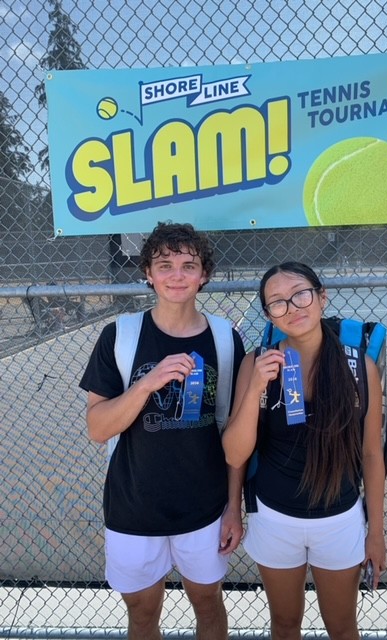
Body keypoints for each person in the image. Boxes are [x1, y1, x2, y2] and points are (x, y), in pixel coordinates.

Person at [79, 222, 246, 640]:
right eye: (164, 264)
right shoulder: (120, 335)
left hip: (205, 507)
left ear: (203, 275)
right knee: (142, 614)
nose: (176, 275)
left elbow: (235, 437)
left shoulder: (226, 339)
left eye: (188, 265)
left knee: (208, 605)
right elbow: (98, 428)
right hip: (134, 505)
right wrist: (146, 384)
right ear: (148, 273)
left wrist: (232, 506)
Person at [222, 262, 386, 640]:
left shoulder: (359, 366)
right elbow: (234, 454)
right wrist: (256, 388)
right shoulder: (256, 362)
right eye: (277, 302)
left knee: (343, 627)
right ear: (268, 315)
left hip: (339, 518)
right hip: (275, 518)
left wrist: (375, 532)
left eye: (300, 294)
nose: (292, 307)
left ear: (321, 296)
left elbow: (372, 454)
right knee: (284, 624)